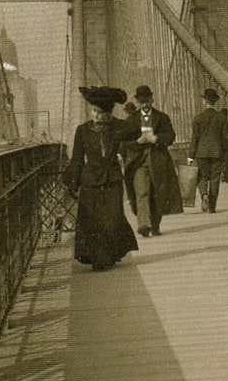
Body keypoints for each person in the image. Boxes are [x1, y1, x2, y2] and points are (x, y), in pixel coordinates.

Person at [65, 86, 141, 271]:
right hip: (90, 181)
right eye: (93, 111)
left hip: (112, 180)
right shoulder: (82, 130)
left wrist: (112, 121)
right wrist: (72, 182)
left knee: (112, 219)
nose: (96, 116)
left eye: (100, 112)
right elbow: (76, 158)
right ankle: (99, 259)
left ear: (107, 113)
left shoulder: (115, 128)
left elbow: (136, 130)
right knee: (92, 221)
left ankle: (110, 254)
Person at [125, 84, 183, 237]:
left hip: (158, 159)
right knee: (141, 191)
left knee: (158, 192)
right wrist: (137, 141)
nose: (144, 104)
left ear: (152, 99)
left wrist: (156, 138)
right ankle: (144, 224)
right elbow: (124, 142)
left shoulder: (162, 118)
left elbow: (170, 136)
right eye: (142, 102)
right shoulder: (131, 120)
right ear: (137, 102)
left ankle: (155, 225)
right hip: (139, 161)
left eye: (147, 101)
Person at [189, 88, 228, 212]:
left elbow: (194, 139)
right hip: (217, 153)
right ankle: (212, 207)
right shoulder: (221, 118)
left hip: (201, 153)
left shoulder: (197, 119)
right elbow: (227, 138)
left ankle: (204, 194)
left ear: (204, 101)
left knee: (202, 176)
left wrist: (190, 156)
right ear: (215, 102)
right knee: (214, 178)